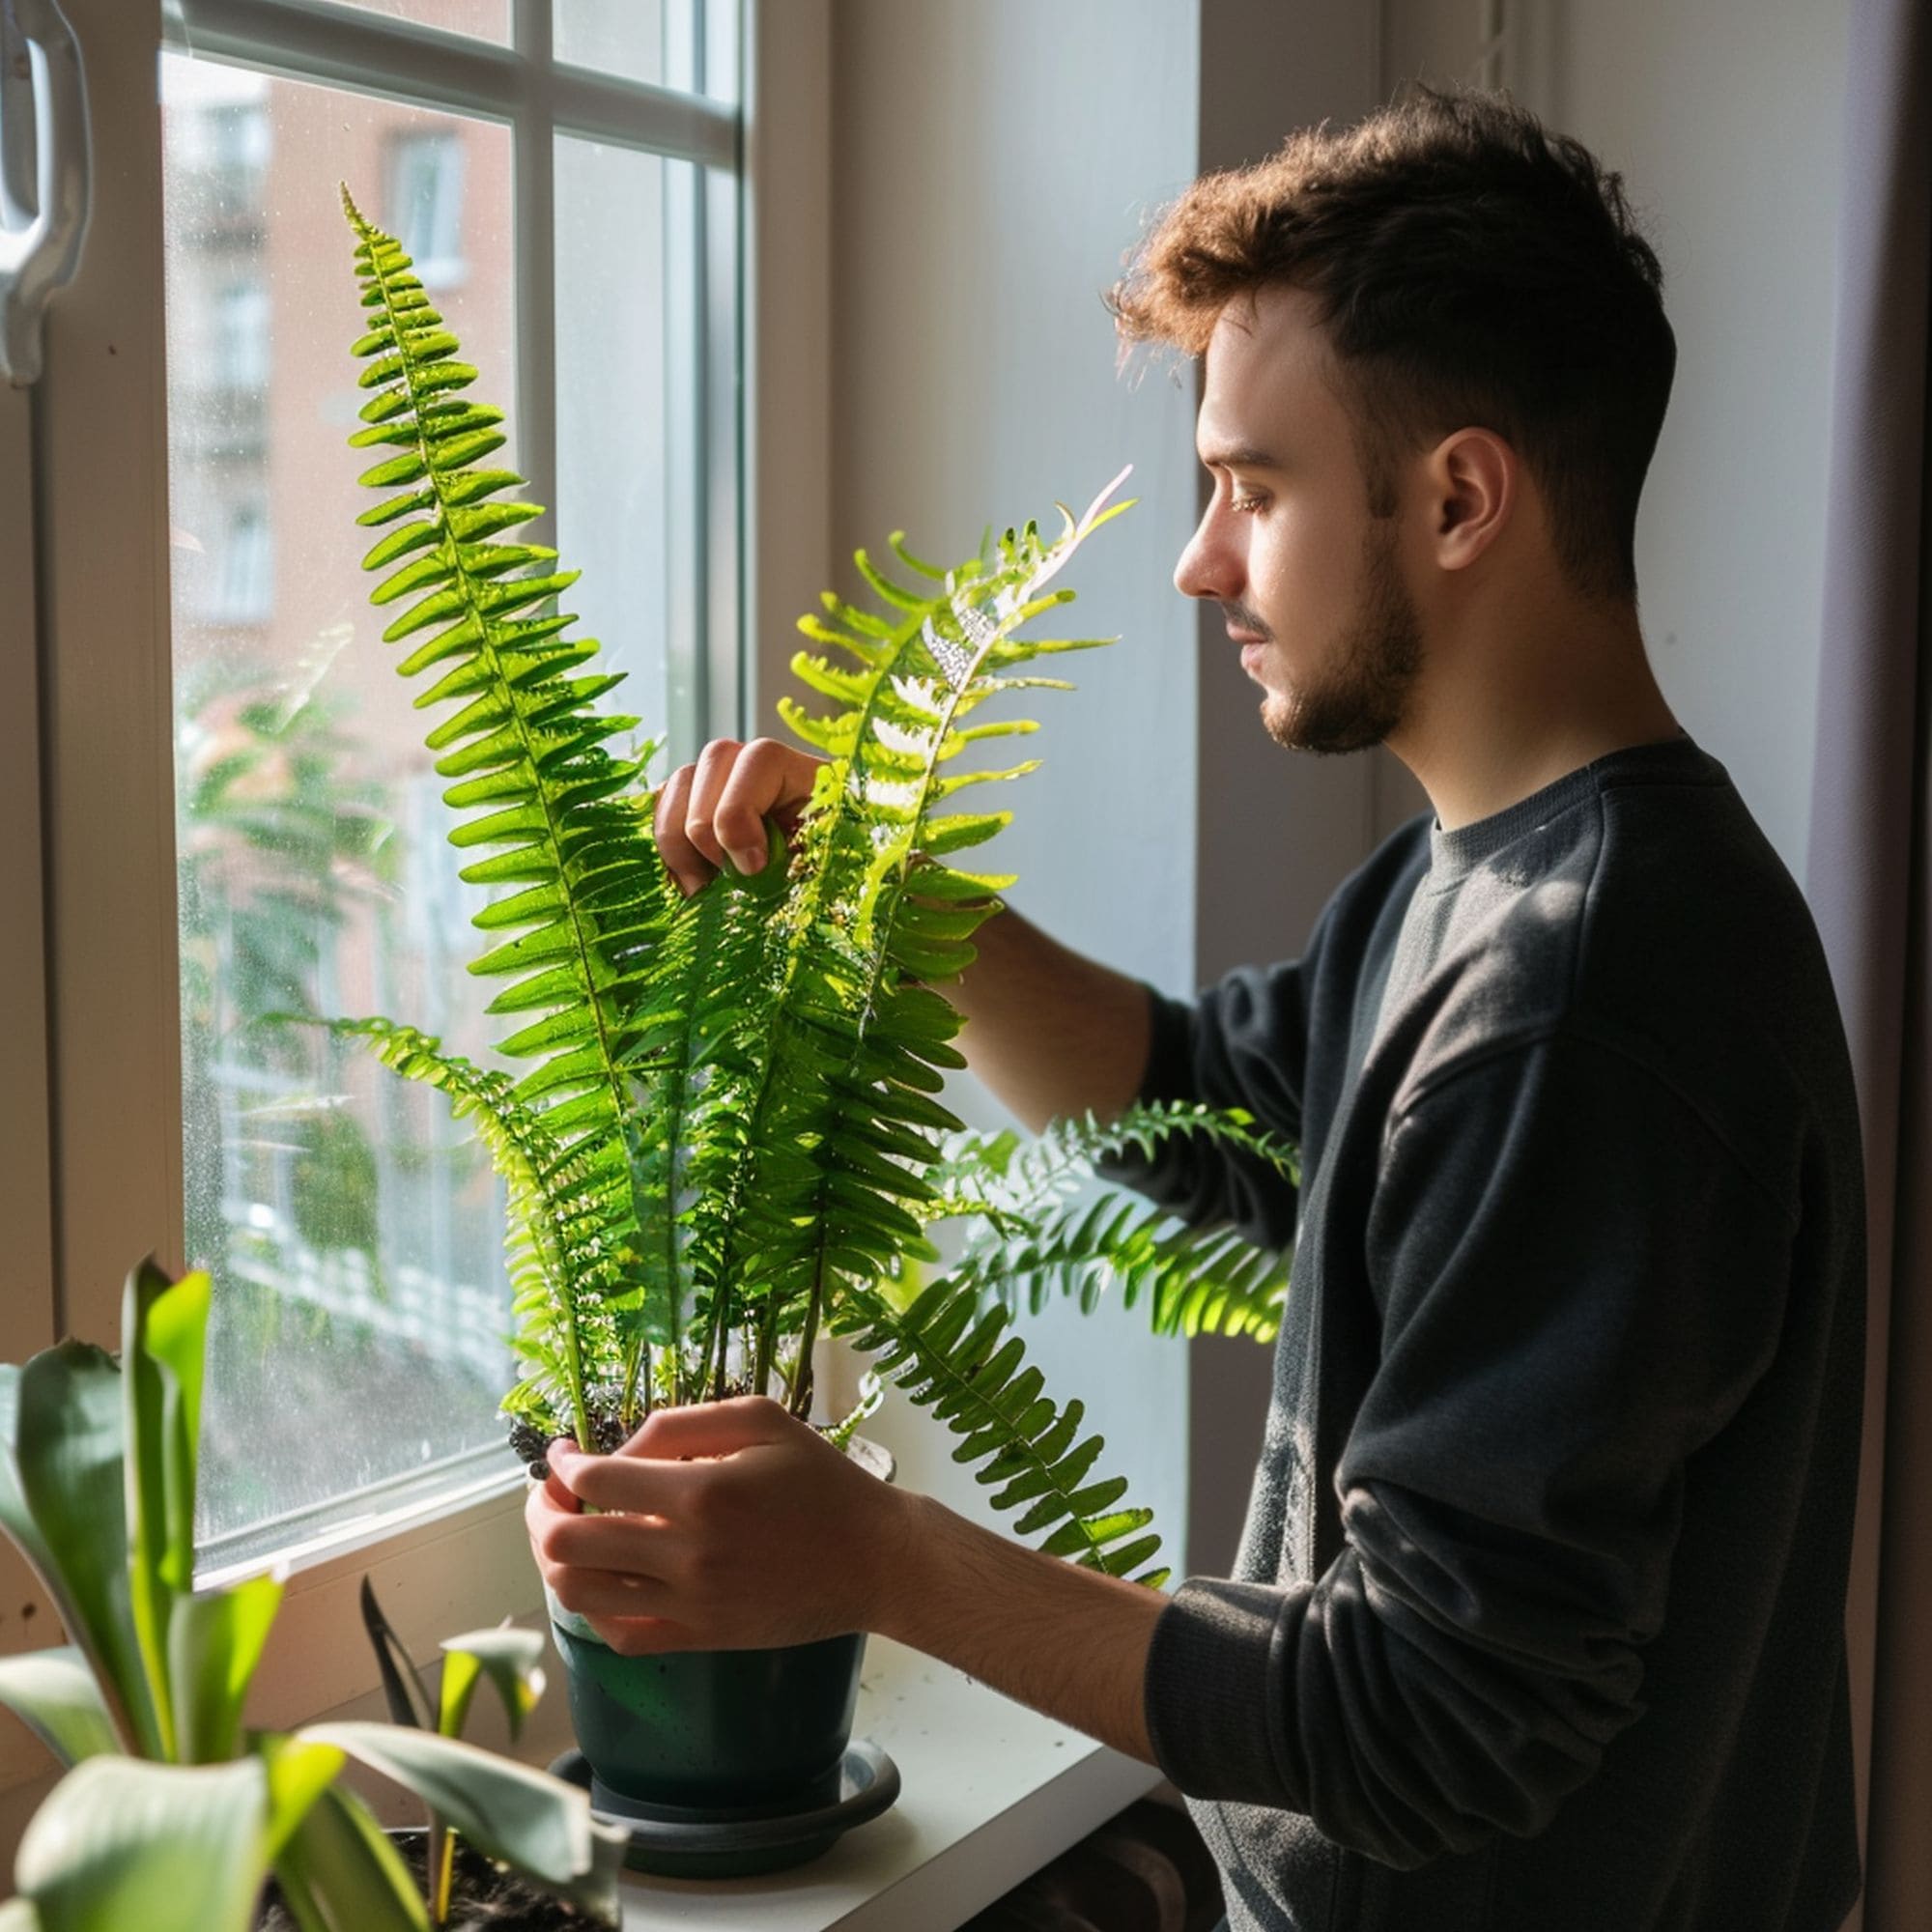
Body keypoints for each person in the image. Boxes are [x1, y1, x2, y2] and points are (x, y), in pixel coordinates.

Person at [525, 83, 1866, 1932]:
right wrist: (887, 898)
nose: (1199, 557)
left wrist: (874, 1554)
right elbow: (1206, 1108)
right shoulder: (1468, 886)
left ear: (1459, 498)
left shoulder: (1586, 990)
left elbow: (1434, 1718)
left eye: (1253, 486)